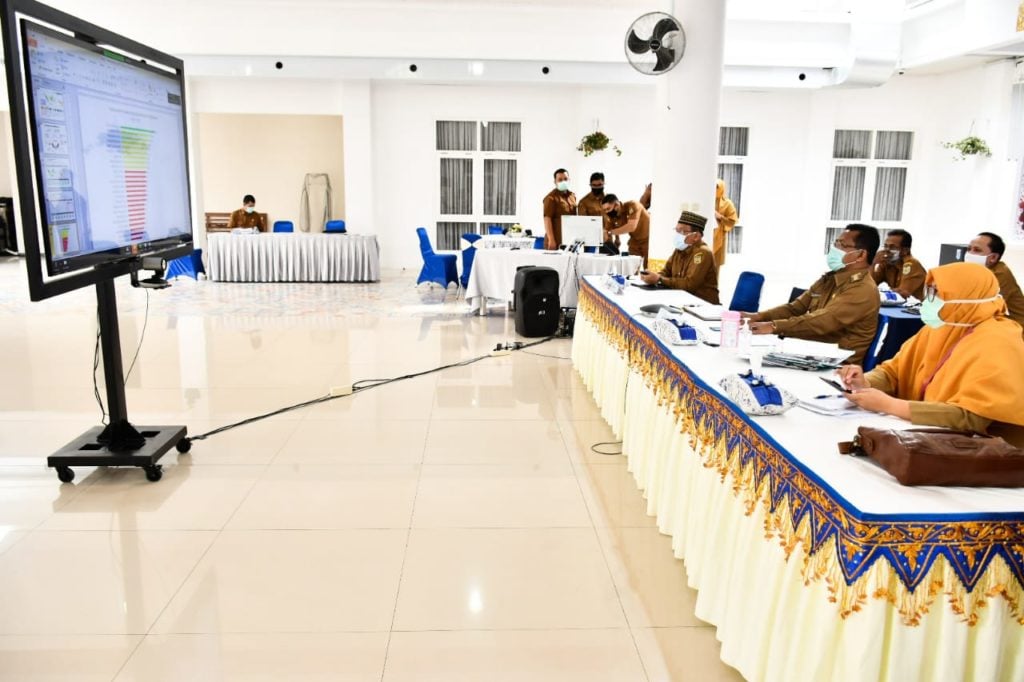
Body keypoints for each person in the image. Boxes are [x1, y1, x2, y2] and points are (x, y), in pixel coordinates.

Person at [838, 262, 1024, 439]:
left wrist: (892, 406)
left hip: (976, 449)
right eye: (930, 291)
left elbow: (972, 417)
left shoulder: (999, 342)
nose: (929, 300)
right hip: (920, 435)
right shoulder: (942, 326)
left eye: (938, 293)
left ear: (966, 298)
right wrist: (866, 382)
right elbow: (893, 372)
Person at [746, 224, 880, 365]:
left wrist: (773, 327)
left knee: (756, 365)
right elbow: (795, 308)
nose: (835, 249)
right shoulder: (831, 278)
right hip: (810, 353)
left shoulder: (862, 289)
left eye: (842, 245)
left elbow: (822, 322)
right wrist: (757, 317)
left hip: (836, 366)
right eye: (836, 243)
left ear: (861, 255)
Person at [639, 211, 719, 304]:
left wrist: (659, 279)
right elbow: (666, 272)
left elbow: (689, 284)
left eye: (682, 231)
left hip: (702, 304)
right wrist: (652, 276)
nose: (678, 235)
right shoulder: (679, 249)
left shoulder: (702, 253)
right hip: (682, 300)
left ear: (696, 236)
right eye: (677, 231)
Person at [965, 232, 1024, 331]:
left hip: (1016, 328)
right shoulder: (979, 271)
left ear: (993, 257)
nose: (970, 253)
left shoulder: (999, 274)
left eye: (977, 250)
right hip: (998, 324)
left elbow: (985, 309)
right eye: (969, 249)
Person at [870, 228, 926, 300]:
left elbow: (902, 293)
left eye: (892, 247)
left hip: (911, 305)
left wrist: (881, 292)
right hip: (894, 304)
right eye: (885, 246)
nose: (886, 250)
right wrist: (873, 263)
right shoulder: (886, 263)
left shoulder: (911, 264)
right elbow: (868, 286)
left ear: (905, 250)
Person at [601, 193, 651, 267]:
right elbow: (607, 230)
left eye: (608, 209)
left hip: (649, 240)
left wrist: (610, 232)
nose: (606, 212)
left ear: (616, 205)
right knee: (631, 268)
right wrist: (603, 235)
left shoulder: (633, 205)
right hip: (634, 241)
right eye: (605, 210)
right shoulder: (612, 215)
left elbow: (631, 227)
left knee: (648, 268)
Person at [578, 172, 614, 251]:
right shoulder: (584, 202)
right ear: (590, 185)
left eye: (599, 185)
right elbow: (583, 224)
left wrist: (617, 238)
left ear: (604, 184)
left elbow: (614, 219)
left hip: (608, 240)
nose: (597, 187)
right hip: (592, 242)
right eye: (594, 185)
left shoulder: (610, 199)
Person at [542, 168, 576, 250]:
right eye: (560, 180)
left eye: (565, 179)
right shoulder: (551, 198)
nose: (563, 181)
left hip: (569, 241)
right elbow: (547, 219)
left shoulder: (572, 196)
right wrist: (551, 240)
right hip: (556, 241)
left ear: (569, 180)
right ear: (555, 182)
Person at [712, 179, 738, 267]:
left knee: (715, 265)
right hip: (704, 236)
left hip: (719, 238)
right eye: (713, 187)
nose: (715, 189)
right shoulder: (706, 199)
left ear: (722, 188)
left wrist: (720, 216)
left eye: (717, 187)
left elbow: (732, 222)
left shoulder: (727, 203)